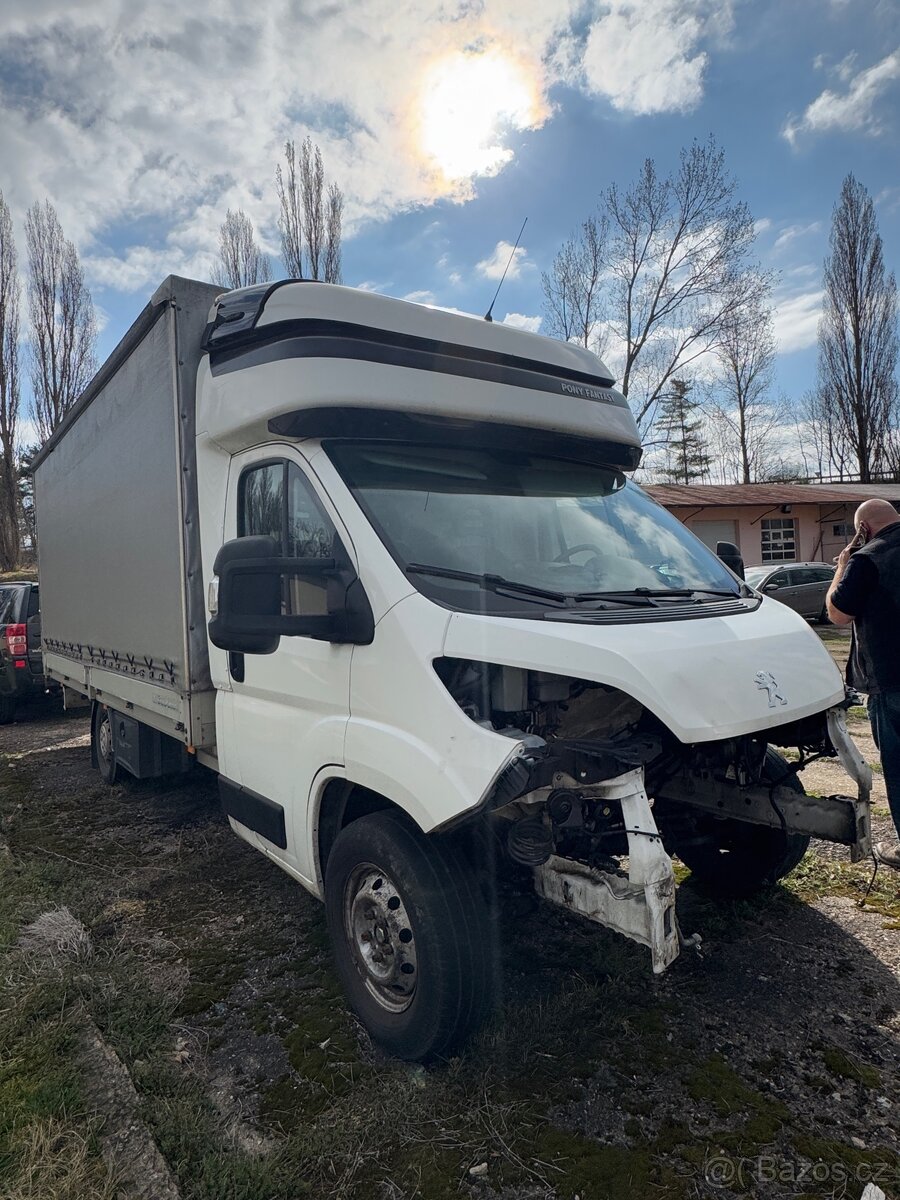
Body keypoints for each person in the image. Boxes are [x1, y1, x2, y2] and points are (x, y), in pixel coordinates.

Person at [827, 498, 900, 869]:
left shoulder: (868, 557)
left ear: (863, 529)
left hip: (892, 681)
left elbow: (838, 613)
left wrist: (841, 567)